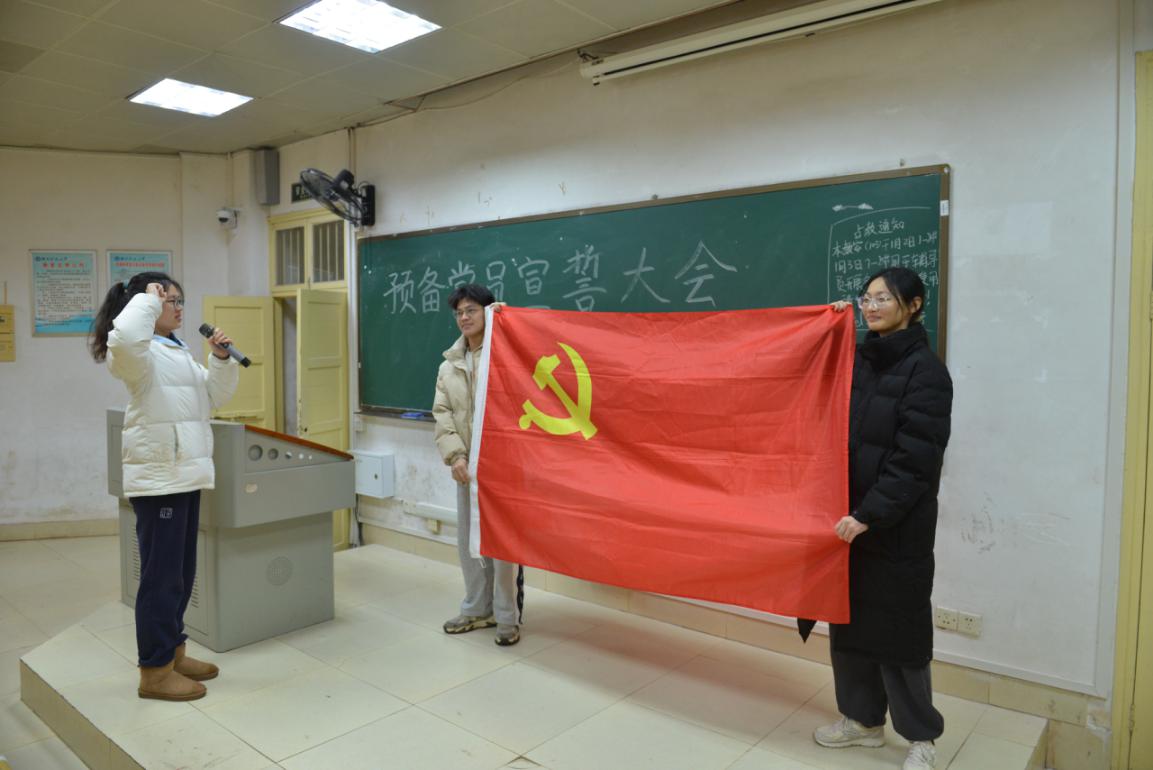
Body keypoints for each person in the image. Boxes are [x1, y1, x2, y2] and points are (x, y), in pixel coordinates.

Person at [815, 267, 953, 770]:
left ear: (913, 306)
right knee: (848, 626)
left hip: (895, 527)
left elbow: (916, 460)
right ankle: (862, 721)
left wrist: (869, 513)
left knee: (900, 634)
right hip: (847, 520)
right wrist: (823, 331)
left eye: (883, 299)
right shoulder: (860, 360)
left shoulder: (927, 373)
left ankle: (921, 737)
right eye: (866, 299)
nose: (871, 307)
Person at [90, 272, 239, 701]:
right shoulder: (136, 353)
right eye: (169, 300)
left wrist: (221, 360)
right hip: (159, 479)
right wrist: (145, 299)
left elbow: (213, 398)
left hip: (185, 473)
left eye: (178, 300)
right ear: (147, 305)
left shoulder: (175, 349)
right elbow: (123, 340)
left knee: (181, 573)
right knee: (161, 578)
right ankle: (154, 671)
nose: (177, 307)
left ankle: (174, 652)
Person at [432, 283, 523, 646]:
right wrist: (455, 456)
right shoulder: (448, 365)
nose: (464, 317)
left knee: (502, 546)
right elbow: (442, 414)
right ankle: (475, 609)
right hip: (466, 467)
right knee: (468, 544)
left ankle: (506, 617)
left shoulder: (504, 354)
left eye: (471, 310)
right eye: (459, 312)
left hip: (503, 466)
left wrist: (504, 317)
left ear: (486, 312)